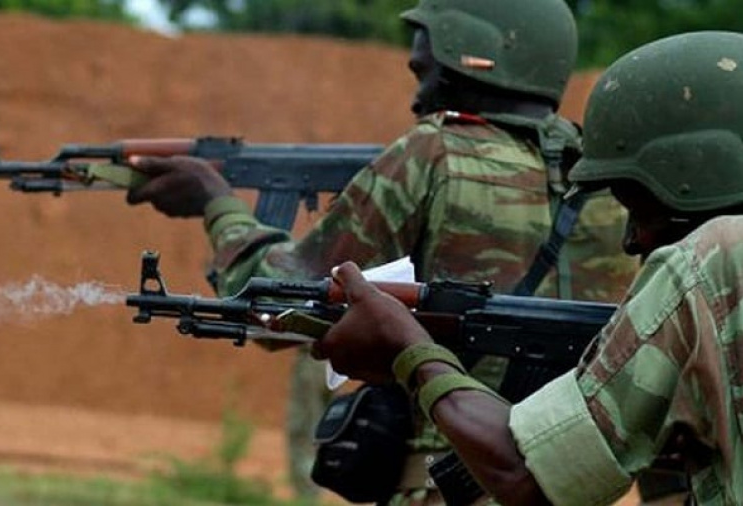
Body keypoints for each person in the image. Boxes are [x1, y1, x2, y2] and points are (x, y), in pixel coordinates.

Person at [126, 0, 636, 502]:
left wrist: (216, 203)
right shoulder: (614, 183)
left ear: (470, 58)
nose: (417, 98)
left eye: (424, 72)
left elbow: (277, 300)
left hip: (446, 483)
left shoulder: (434, 151)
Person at [312, 30, 743, 505]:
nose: (631, 240)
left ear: (701, 168)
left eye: (639, 206)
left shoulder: (714, 257)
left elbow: (528, 475)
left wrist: (408, 347)